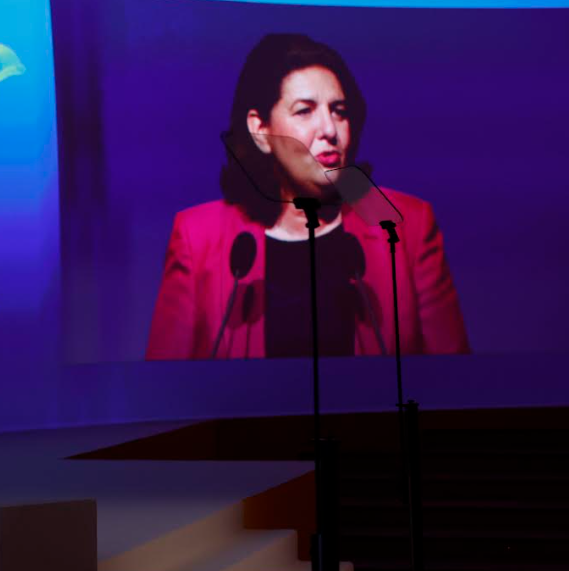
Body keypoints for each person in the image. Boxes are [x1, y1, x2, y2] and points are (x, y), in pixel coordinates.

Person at [146, 34, 469, 360]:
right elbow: (164, 384)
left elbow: (453, 379)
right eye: (305, 111)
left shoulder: (404, 223)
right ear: (261, 130)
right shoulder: (198, 236)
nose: (329, 129)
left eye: (339, 111)